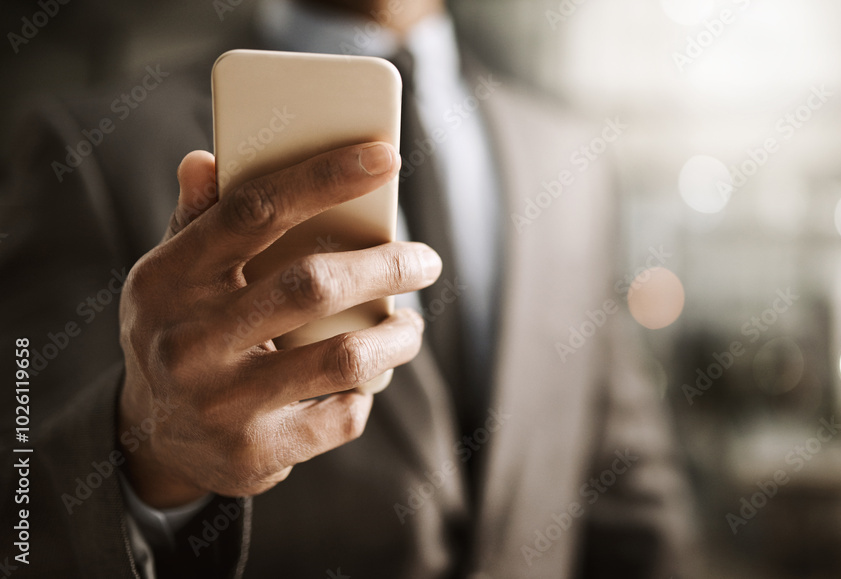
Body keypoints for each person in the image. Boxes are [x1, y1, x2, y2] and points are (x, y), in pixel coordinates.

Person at [0, 0, 698, 577]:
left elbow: (629, 489)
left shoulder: (569, 157)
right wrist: (147, 457)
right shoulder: (89, 149)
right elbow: (20, 515)